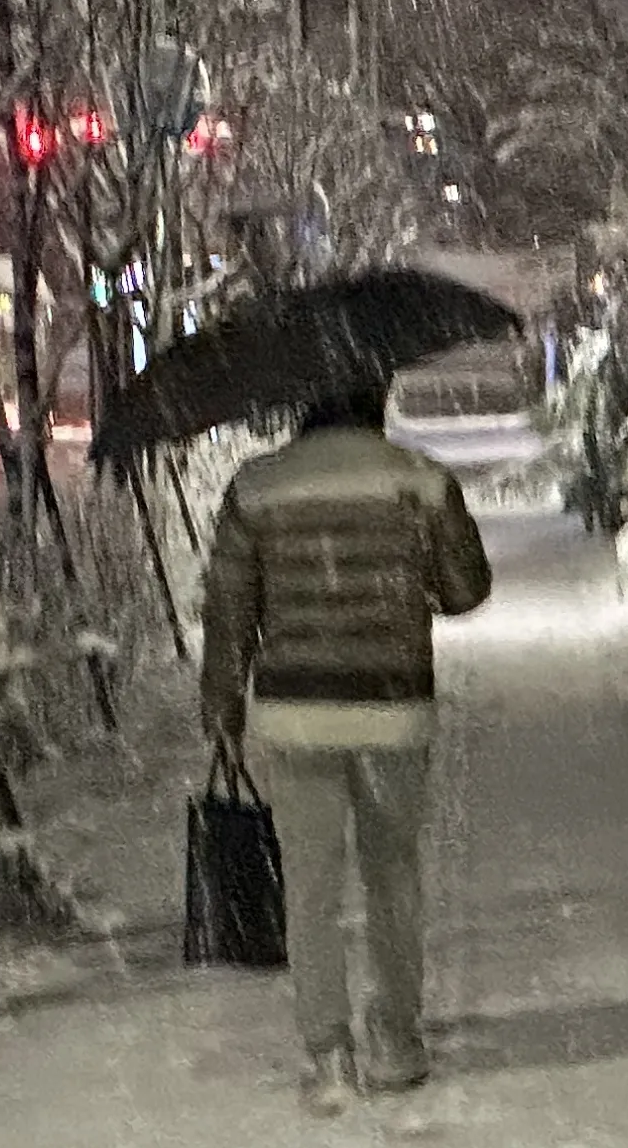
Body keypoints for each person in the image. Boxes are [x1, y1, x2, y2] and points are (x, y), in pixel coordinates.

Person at [199, 373, 495, 1111]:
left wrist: (223, 709)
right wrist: (410, 577)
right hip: (393, 707)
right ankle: (396, 1039)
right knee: (391, 874)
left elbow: (229, 611)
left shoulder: (257, 487)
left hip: (296, 713)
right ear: (376, 401)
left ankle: (329, 1051)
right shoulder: (419, 482)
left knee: (311, 884)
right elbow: (467, 589)